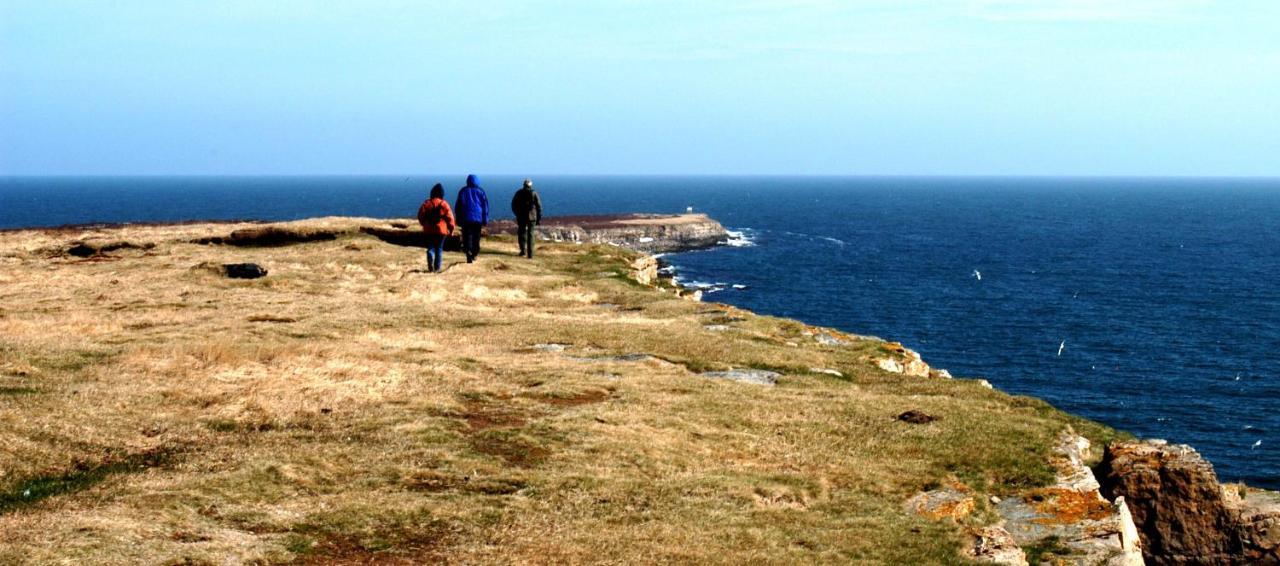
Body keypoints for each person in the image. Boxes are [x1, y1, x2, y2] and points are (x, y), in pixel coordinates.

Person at [416, 183, 455, 272]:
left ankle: (430, 254)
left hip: (429, 230)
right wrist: (451, 229)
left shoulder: (427, 203)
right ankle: (437, 268)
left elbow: (420, 215)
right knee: (439, 248)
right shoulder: (444, 204)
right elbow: (450, 218)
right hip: (441, 230)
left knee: (431, 246)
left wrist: (423, 224)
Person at [454, 174, 489, 263]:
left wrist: (458, 218)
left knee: (466, 236)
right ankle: (474, 253)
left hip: (466, 218)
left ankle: (468, 252)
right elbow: (485, 207)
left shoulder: (463, 191)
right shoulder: (481, 192)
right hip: (478, 219)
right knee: (476, 237)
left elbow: (458, 206)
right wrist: (485, 219)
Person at [510, 178, 542, 258]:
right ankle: (530, 254)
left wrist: (517, 213)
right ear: (531, 185)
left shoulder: (519, 193)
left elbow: (513, 204)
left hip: (521, 216)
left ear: (523, 185)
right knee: (530, 234)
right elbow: (539, 206)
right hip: (532, 216)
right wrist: (538, 218)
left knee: (522, 233)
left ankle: (523, 251)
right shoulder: (534, 193)